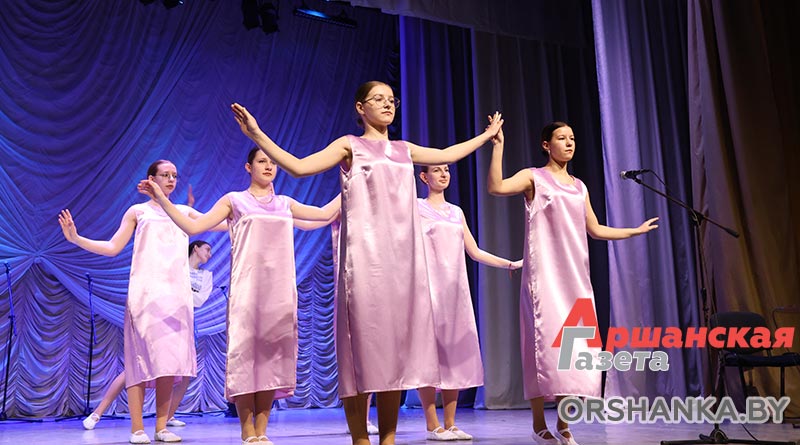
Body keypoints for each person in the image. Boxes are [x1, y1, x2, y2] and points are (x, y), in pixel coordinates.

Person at [229, 80, 503, 445]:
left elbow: (447, 153)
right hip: (364, 264)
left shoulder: (404, 150)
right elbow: (299, 167)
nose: (387, 105)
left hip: (403, 264)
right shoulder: (349, 146)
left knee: (396, 353)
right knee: (361, 350)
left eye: (392, 100)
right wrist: (257, 134)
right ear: (361, 107)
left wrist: (486, 136)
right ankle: (360, 438)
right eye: (378, 99)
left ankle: (388, 439)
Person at [138, 148, 340, 445]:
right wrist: (162, 198)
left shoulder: (285, 204)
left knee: (273, 361)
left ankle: (262, 429)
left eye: (273, 162)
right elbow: (193, 226)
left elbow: (323, 215)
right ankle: (247, 429)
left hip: (280, 294)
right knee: (246, 360)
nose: (269, 166)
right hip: (247, 291)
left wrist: (354, 183)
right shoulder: (234, 200)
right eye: (262, 161)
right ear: (248, 167)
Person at [486, 121, 658, 445]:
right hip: (545, 281)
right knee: (542, 350)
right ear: (546, 144)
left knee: (574, 352)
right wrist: (498, 145)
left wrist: (633, 231)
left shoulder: (579, 187)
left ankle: (564, 426)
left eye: (572, 138)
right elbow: (496, 187)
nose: (569, 143)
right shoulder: (534, 178)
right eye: (561, 138)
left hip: (576, 280)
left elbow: (595, 229)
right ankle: (539, 425)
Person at [59, 160, 220, 444]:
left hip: (177, 299)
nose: (171, 179)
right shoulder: (138, 211)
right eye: (165, 175)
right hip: (146, 297)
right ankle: (137, 428)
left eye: (174, 175)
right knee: (140, 363)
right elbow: (113, 247)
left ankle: (161, 427)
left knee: (169, 365)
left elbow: (220, 222)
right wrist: (76, 239)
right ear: (151, 179)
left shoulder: (184, 213)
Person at [416, 164, 522, 441]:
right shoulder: (416, 208)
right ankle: (432, 425)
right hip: (428, 291)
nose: (444, 174)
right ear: (424, 177)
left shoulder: (456, 212)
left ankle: (450, 423)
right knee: (428, 357)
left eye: (446, 170)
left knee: (454, 355)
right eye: (436, 170)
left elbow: (474, 251)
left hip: (455, 293)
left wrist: (509, 264)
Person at [81, 240, 215, 430]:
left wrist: (178, 289)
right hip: (160, 319)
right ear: (196, 248)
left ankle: (168, 416)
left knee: (184, 373)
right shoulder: (175, 266)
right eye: (207, 249)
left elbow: (199, 300)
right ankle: (97, 413)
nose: (210, 254)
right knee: (136, 368)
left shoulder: (206, 276)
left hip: (183, 323)